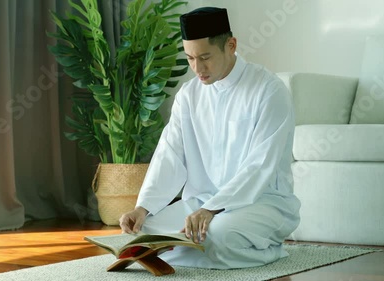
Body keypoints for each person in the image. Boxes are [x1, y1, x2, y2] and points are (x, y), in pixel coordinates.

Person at [119, 6, 301, 269]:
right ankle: (193, 250)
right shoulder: (188, 95)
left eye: (205, 57)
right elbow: (169, 155)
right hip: (200, 204)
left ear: (231, 45)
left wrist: (212, 209)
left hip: (262, 203)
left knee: (217, 236)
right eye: (190, 58)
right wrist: (142, 209)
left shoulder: (269, 90)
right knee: (143, 233)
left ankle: (271, 251)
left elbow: (259, 166)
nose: (197, 68)